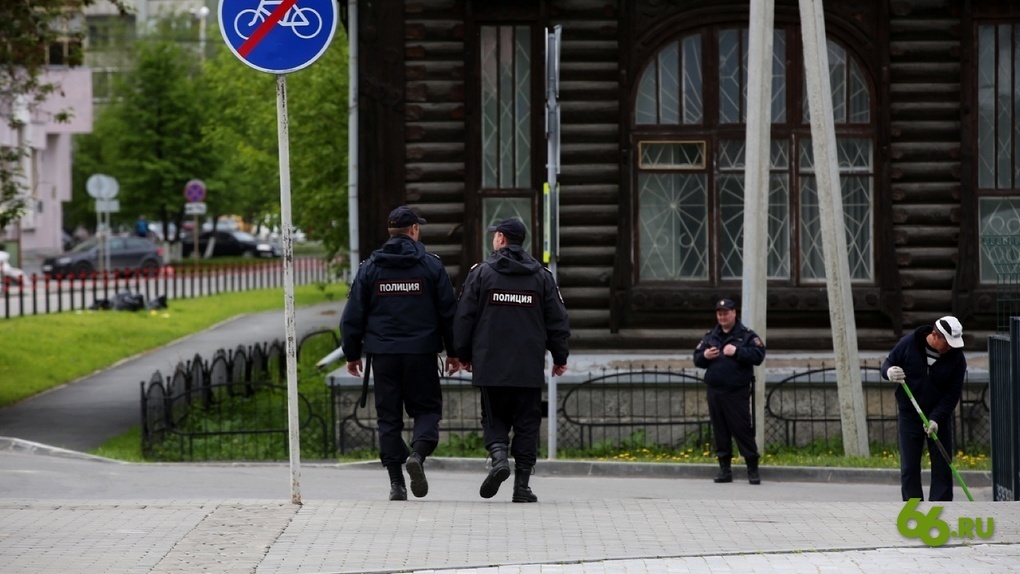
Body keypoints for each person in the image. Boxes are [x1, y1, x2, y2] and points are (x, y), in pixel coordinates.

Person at [340, 205, 460, 501]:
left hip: (383, 355)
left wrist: (352, 353)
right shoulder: (431, 266)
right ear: (414, 231)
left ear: (390, 231)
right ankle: (417, 455)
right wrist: (456, 352)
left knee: (389, 418)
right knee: (427, 410)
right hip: (421, 353)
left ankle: (396, 484)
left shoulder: (370, 267)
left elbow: (353, 315)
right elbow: (449, 313)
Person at [453, 218, 570, 503]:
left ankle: (499, 459)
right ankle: (522, 487)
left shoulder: (481, 274)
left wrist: (463, 355)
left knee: (494, 418)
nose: (493, 238)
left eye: (495, 235)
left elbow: (464, 317)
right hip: (528, 366)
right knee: (527, 424)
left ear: (502, 239)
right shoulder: (541, 277)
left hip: (490, 364)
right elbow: (557, 319)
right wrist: (559, 356)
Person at [881, 315, 967, 501]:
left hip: (939, 417)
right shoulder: (909, 343)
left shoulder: (957, 358)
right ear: (935, 336)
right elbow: (888, 362)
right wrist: (889, 373)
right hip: (910, 414)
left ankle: (940, 509)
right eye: (948, 343)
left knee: (942, 466)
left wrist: (936, 418)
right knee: (910, 466)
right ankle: (914, 509)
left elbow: (952, 394)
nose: (951, 347)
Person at [693, 298, 766, 485]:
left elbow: (759, 355)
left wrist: (737, 351)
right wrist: (705, 356)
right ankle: (725, 470)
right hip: (715, 390)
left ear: (734, 313)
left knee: (742, 430)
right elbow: (697, 358)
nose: (722, 316)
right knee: (720, 431)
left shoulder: (746, 335)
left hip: (736, 391)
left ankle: (752, 468)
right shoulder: (711, 336)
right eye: (719, 313)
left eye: (726, 313)